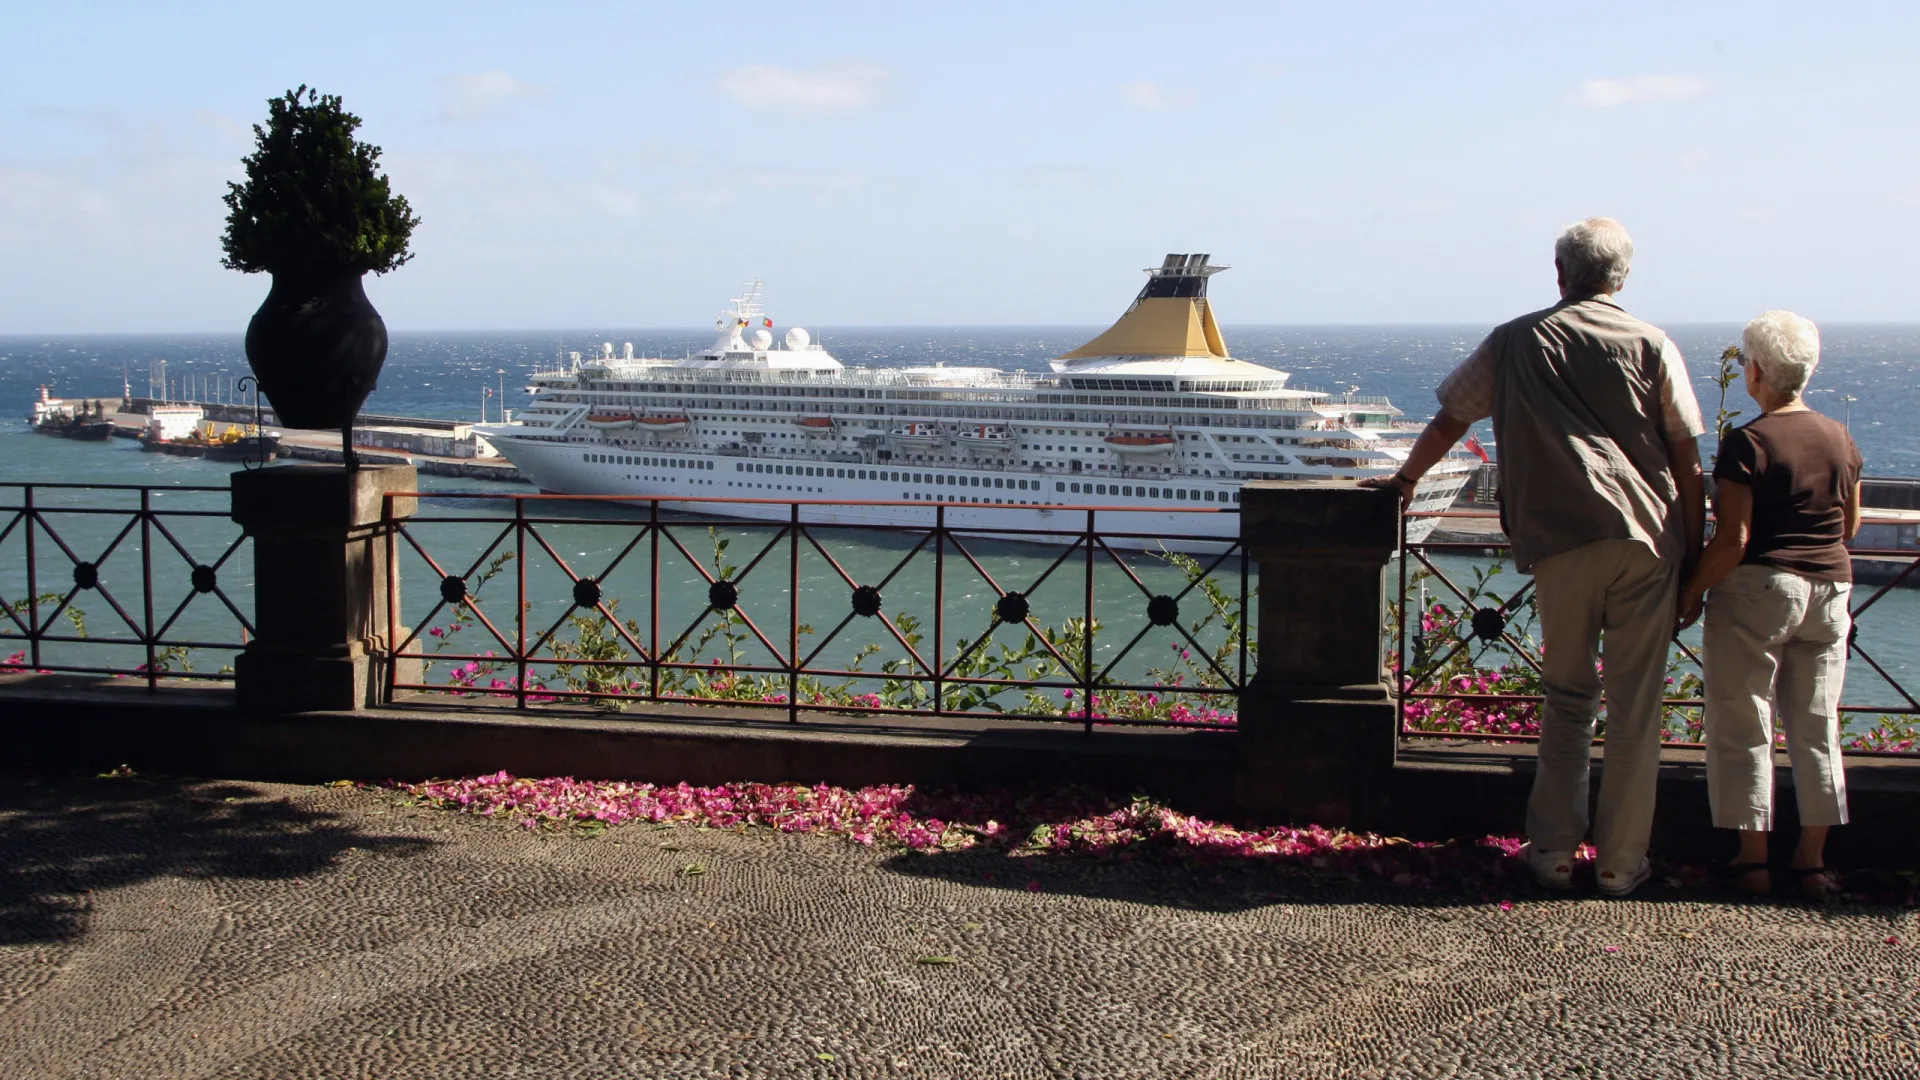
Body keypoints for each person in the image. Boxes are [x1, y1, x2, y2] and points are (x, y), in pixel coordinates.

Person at [1365, 217, 1706, 897]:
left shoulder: (1516, 339)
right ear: (1623, 277)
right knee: (1636, 709)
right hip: (1647, 541)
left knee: (1569, 698)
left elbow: (1451, 417)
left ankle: (1551, 851)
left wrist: (1404, 483)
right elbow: (1687, 458)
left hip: (1561, 541)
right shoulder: (1653, 343)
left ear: (1560, 274)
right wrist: (1694, 558)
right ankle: (1619, 865)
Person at [1676, 311, 1861, 902]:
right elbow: (1849, 524)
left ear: (1755, 372)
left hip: (1760, 591)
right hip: (1830, 590)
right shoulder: (1840, 437)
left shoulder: (1750, 442)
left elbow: (1733, 539)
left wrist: (1691, 591)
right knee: (1816, 726)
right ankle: (1810, 860)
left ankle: (1751, 859)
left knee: (1744, 722)